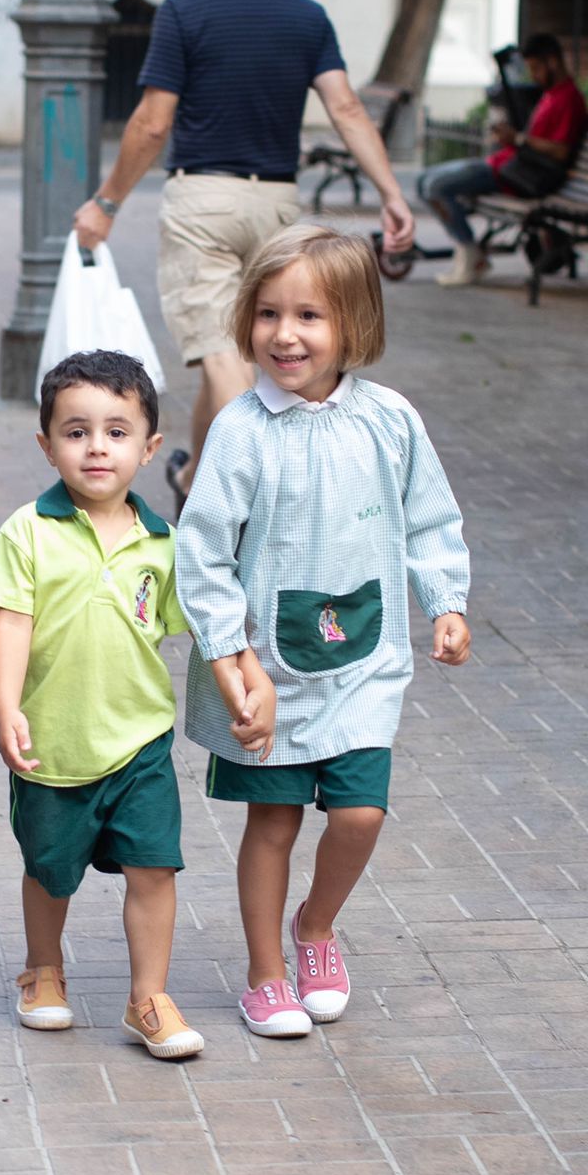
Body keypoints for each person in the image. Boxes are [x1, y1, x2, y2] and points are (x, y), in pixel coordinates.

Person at [174, 224, 471, 1038]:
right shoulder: (240, 428)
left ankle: (316, 928)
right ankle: (265, 973)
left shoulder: (391, 420)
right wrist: (233, 658)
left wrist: (445, 600)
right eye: (268, 314)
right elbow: (201, 554)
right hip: (267, 663)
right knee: (272, 822)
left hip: (363, 658)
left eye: (309, 315)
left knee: (360, 814)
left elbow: (430, 517)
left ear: (355, 323)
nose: (285, 334)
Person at [72, 0, 414, 511]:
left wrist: (107, 203)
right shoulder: (307, 15)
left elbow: (151, 122)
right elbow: (345, 106)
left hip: (203, 202)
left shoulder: (182, 10)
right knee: (226, 351)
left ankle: (255, 503)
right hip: (278, 207)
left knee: (223, 355)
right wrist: (392, 192)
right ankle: (197, 480)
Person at [0, 350, 271, 1058]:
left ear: (150, 448)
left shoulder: (164, 544)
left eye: (116, 431)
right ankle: (43, 971)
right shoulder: (29, 531)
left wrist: (249, 682)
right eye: (75, 432)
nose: (96, 447)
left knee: (155, 866)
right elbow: (11, 622)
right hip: (54, 743)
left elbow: (209, 626)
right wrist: (5, 707)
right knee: (50, 869)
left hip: (140, 743)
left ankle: (149, 998)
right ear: (47, 445)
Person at [420, 33, 588, 286]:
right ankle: (466, 251)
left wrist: (519, 139)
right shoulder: (551, 94)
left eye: (535, 68)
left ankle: (470, 252)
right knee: (424, 179)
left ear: (552, 61)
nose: (533, 76)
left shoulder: (569, 98)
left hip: (520, 176)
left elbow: (561, 151)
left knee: (436, 187)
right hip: (507, 165)